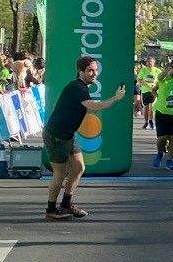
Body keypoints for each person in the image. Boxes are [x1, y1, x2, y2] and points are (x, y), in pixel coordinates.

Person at [44, 57, 126, 221]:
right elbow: (94, 107)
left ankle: (66, 204)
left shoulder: (82, 87)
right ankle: (50, 209)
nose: (94, 73)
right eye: (90, 70)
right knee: (60, 173)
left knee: (79, 167)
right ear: (80, 71)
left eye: (96, 70)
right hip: (56, 135)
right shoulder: (77, 87)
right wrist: (115, 98)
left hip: (68, 134)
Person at [135, 57, 158, 129]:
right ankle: (146, 122)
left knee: (151, 108)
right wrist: (145, 83)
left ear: (154, 62)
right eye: (148, 62)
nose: (149, 63)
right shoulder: (143, 70)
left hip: (153, 91)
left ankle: (151, 122)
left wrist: (156, 85)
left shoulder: (158, 71)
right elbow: (138, 80)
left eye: (151, 61)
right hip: (145, 91)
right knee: (146, 108)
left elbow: (161, 80)